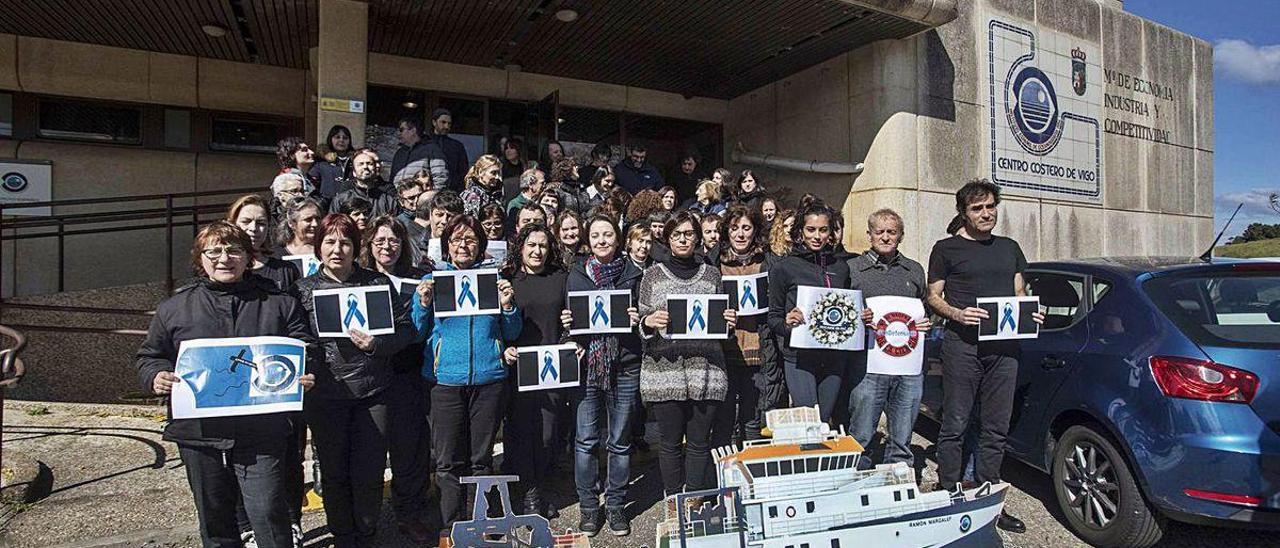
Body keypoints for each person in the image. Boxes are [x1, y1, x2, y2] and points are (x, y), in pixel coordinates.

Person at [138, 221, 315, 548]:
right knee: (215, 519)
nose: (224, 258)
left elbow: (305, 348)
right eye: (214, 251)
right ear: (199, 259)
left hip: (262, 430)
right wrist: (156, 375)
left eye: (234, 250)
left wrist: (305, 372)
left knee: (268, 512)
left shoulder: (278, 303)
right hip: (199, 433)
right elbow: (150, 356)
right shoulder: (174, 308)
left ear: (249, 257)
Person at [926, 180, 1042, 533]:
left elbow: (1020, 293)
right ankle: (949, 492)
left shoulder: (1010, 248)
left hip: (1004, 350)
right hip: (962, 347)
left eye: (991, 206)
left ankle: (990, 501)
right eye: (977, 208)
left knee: (996, 428)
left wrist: (1031, 314)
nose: (986, 213)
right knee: (956, 423)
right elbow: (933, 297)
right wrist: (957, 314)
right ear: (963, 212)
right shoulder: (945, 249)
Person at [291, 214, 413, 548]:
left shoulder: (376, 283)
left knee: (369, 470)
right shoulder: (303, 290)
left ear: (355, 247)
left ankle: (367, 532)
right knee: (333, 471)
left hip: (373, 392)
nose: (337, 249)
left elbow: (406, 330)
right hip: (326, 395)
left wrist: (377, 344)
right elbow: (298, 338)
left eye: (345, 242)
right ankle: (343, 535)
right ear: (318, 248)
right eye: (329, 242)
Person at [411, 214, 521, 540]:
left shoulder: (492, 279)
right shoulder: (435, 279)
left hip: (488, 378)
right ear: (446, 246)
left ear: (481, 247)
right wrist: (422, 303)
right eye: (456, 239)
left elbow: (511, 331)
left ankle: (479, 522)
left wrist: (508, 305)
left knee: (481, 459)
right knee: (446, 462)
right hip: (445, 380)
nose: (463, 245)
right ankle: (449, 526)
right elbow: (418, 333)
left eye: (471, 239)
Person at [637, 210, 736, 496]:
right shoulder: (652, 276)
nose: (683, 239)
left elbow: (718, 325)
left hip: (705, 371)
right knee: (668, 442)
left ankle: (692, 497)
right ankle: (673, 498)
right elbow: (641, 320)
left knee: (699, 441)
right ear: (667, 238)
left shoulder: (712, 275)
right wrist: (649, 322)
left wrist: (728, 323)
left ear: (698, 237)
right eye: (677, 234)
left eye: (689, 233)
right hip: (664, 372)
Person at [563, 215, 644, 536]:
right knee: (585, 441)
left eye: (607, 234)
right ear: (588, 239)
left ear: (618, 237)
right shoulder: (577, 274)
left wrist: (638, 317)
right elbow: (566, 318)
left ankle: (616, 506)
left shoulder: (634, 274)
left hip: (625, 364)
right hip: (587, 369)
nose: (601, 240)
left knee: (620, 442)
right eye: (595, 235)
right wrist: (568, 327)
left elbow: (647, 318)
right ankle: (587, 508)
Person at [358, 215, 434, 543]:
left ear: (403, 245)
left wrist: (424, 302)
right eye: (380, 241)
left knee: (410, 450)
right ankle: (366, 518)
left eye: (393, 241)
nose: (387, 247)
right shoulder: (359, 279)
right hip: (369, 375)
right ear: (369, 245)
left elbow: (426, 328)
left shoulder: (418, 278)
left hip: (408, 373)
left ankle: (409, 512)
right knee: (370, 452)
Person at [846, 209, 932, 469]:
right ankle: (857, 482)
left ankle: (898, 483)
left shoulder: (914, 270)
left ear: (901, 235)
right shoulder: (852, 270)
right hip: (868, 366)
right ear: (869, 235)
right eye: (879, 232)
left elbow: (926, 307)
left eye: (891, 232)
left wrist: (927, 322)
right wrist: (857, 316)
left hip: (908, 367)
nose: (885, 237)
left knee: (903, 436)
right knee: (861, 434)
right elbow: (841, 313)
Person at [501, 223, 570, 519]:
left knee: (547, 433)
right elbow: (499, 320)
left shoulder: (561, 278)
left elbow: (573, 318)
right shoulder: (508, 279)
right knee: (521, 432)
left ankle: (542, 486)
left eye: (542, 245)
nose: (537, 251)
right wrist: (504, 348)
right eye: (531, 245)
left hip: (552, 366)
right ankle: (529, 494)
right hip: (519, 366)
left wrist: (571, 339)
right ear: (521, 247)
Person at [766, 201, 851, 423]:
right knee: (809, 422)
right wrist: (787, 322)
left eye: (823, 230)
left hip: (834, 356)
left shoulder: (841, 267)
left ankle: (821, 458)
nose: (817, 236)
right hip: (799, 357)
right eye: (810, 229)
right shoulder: (784, 267)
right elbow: (773, 317)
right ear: (800, 232)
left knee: (823, 420)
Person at [712, 206, 770, 444]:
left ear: (755, 231)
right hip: (725, 349)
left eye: (746, 228)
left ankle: (753, 469)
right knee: (724, 415)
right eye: (734, 228)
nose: (740, 234)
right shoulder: (715, 262)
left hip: (757, 348)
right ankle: (724, 471)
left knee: (752, 414)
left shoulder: (766, 262)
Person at [227, 195, 301, 292]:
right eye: (246, 221)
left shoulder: (286, 270)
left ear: (268, 226)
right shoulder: (223, 269)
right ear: (232, 224)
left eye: (261, 223)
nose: (253, 228)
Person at [330, 149, 397, 219]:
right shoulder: (340, 200)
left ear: (375, 169)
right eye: (361, 164)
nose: (365, 167)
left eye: (369, 164)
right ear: (354, 172)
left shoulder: (388, 200)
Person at [390, 117, 449, 186]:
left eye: (401, 130)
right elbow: (392, 180)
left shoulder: (431, 149)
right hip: (398, 196)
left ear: (413, 130)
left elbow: (441, 178)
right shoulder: (399, 153)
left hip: (422, 196)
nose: (399, 133)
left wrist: (430, 196)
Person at [427, 108, 469, 192]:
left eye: (449, 123)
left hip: (451, 192)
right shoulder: (425, 143)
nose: (446, 126)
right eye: (443, 122)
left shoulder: (457, 146)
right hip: (428, 191)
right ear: (434, 122)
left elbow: (463, 172)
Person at [276, 137, 322, 203]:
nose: (312, 152)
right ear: (292, 155)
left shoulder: (310, 179)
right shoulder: (285, 180)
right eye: (304, 150)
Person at [315, 125, 355, 199]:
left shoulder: (355, 160)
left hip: (350, 203)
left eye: (345, 138)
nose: (341, 140)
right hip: (327, 204)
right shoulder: (321, 161)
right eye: (337, 137)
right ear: (331, 139)